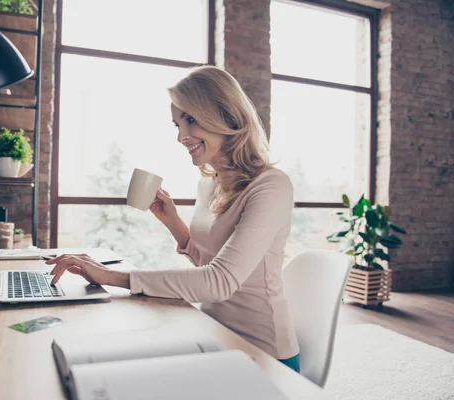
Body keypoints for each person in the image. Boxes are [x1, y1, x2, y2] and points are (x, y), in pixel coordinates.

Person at [47, 66, 300, 372]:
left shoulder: (271, 186)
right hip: (214, 334)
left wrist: (110, 277)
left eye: (190, 119)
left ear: (226, 116)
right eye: (177, 124)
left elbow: (220, 281)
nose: (181, 136)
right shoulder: (210, 183)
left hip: (263, 353)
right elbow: (209, 262)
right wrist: (173, 223)